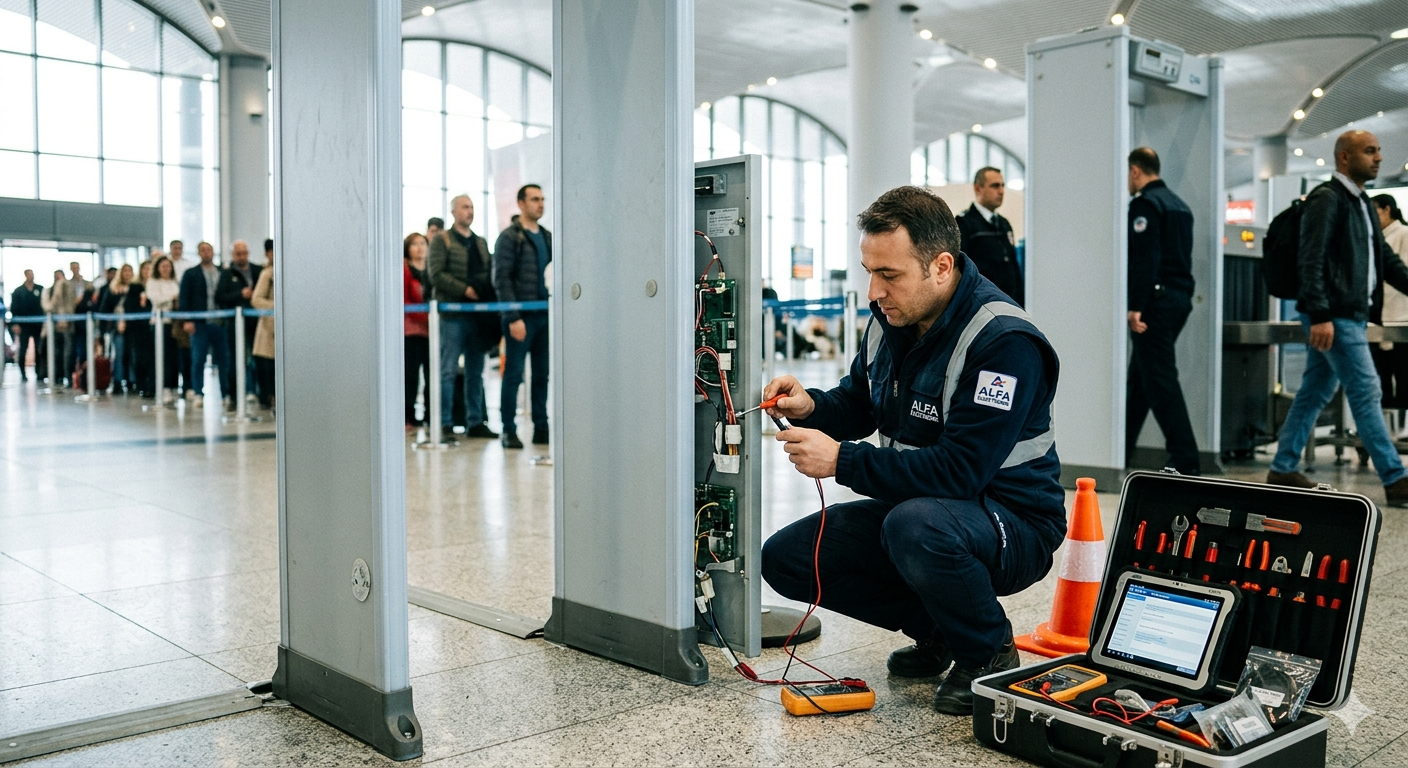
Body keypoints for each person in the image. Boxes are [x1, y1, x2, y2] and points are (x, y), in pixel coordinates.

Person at [759, 186, 1064, 715]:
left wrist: (842, 462)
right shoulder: (890, 319)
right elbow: (861, 403)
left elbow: (961, 472)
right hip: (922, 506)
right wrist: (812, 406)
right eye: (869, 271)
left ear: (941, 266)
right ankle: (942, 630)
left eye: (890, 275)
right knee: (787, 559)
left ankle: (989, 651)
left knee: (915, 527)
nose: (875, 290)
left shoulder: (1004, 343)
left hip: (1012, 523)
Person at [1268, 131, 1408, 504]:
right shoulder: (1327, 199)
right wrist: (1320, 314)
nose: (1378, 157)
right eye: (1369, 151)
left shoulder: (1359, 202)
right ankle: (1395, 478)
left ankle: (1282, 467)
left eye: (1378, 150)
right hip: (1336, 316)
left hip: (1349, 314)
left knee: (1315, 391)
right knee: (1367, 390)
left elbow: (1387, 262)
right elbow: (1310, 259)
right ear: (1344, 158)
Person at [1124, 147, 1200, 476]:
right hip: (1179, 298)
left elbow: (1146, 258)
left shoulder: (1145, 204)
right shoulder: (1179, 205)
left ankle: (1186, 459)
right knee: (1140, 382)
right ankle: (1120, 451)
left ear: (1136, 171)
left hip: (1154, 303)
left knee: (1160, 381)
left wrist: (1136, 307)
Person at [428, 194, 498, 439]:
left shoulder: (479, 242)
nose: (470, 211)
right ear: (454, 211)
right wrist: (464, 289)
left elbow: (489, 271)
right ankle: (444, 422)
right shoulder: (442, 240)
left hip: (477, 316)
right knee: (447, 370)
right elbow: (436, 274)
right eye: (465, 207)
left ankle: (475, 422)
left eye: (472, 207)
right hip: (452, 314)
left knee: (475, 371)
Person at [494, 184, 552, 448]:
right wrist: (512, 316)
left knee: (542, 375)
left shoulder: (548, 236)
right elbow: (502, 278)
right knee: (514, 374)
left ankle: (542, 426)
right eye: (534, 199)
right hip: (520, 318)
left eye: (542, 199)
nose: (540, 204)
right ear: (521, 204)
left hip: (544, 316)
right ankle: (508, 429)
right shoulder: (509, 237)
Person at [956, 167, 1023, 306]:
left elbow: (1013, 267)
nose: (1001, 191)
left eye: (1002, 185)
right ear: (978, 189)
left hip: (1009, 303)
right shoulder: (964, 224)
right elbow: (960, 271)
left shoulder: (1004, 224)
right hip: (981, 305)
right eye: (995, 186)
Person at [179, 242, 233, 409]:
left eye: (208, 250)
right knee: (198, 359)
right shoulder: (191, 274)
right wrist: (186, 320)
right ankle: (198, 392)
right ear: (198, 253)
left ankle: (226, 394)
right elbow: (184, 298)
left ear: (213, 252)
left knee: (224, 360)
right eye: (203, 250)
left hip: (219, 323)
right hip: (199, 323)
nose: (206, 253)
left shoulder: (223, 272)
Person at [1372, 196, 1408, 435]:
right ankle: (1383, 433)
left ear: (1388, 210)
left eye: (1376, 212)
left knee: (1404, 380)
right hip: (1378, 321)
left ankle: (1402, 432)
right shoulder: (1377, 237)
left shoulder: (1404, 234)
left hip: (1401, 318)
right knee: (1379, 382)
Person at [216, 240, 262, 402]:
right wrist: (240, 295)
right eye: (238, 253)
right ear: (233, 255)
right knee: (236, 359)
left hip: (256, 321)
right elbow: (219, 297)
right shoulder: (227, 274)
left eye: (244, 253)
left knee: (257, 357)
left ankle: (257, 392)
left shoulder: (258, 270)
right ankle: (233, 395)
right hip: (234, 323)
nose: (241, 256)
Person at [404, 233, 431, 427]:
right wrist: (426, 317)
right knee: (411, 375)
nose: (420, 248)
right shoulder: (404, 270)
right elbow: (404, 300)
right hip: (411, 331)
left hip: (432, 332)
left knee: (432, 376)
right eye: (415, 244)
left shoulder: (431, 270)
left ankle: (431, 415)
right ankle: (408, 416)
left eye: (423, 243)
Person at [147, 256, 181, 398]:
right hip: (160, 324)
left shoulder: (175, 282)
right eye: (163, 266)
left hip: (174, 323)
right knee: (163, 357)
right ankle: (164, 386)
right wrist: (171, 297)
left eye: (168, 266)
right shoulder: (153, 282)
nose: (166, 269)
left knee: (174, 357)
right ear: (157, 268)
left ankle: (173, 385)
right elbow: (156, 299)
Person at [123, 261, 155, 397]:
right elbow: (128, 306)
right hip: (138, 328)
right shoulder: (135, 287)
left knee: (153, 357)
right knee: (140, 357)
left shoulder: (155, 286)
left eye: (150, 269)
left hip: (152, 327)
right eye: (145, 269)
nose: (147, 271)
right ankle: (141, 384)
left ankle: (153, 385)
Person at [102, 264, 135, 393]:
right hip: (117, 327)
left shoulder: (135, 288)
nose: (127, 273)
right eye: (125, 271)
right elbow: (105, 308)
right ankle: (117, 381)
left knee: (132, 354)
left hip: (133, 327)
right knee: (119, 354)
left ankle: (132, 381)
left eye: (129, 270)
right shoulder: (112, 289)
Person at [251, 251, 276, 410]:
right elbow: (256, 299)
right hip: (269, 329)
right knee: (267, 369)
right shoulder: (268, 274)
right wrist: (278, 307)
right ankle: (267, 399)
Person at [41, 270, 75, 385]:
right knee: (54, 351)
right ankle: (55, 375)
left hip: (67, 325)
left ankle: (68, 376)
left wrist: (65, 318)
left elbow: (71, 303)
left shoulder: (68, 287)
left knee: (68, 352)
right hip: (53, 326)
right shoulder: (49, 290)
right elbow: (48, 306)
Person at [9, 270, 44, 381]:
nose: (31, 276)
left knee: (39, 348)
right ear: (25, 276)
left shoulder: (40, 289)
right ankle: (23, 373)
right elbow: (14, 308)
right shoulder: (18, 291)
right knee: (23, 349)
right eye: (29, 274)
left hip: (38, 324)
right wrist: (15, 324)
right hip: (24, 325)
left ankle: (39, 372)